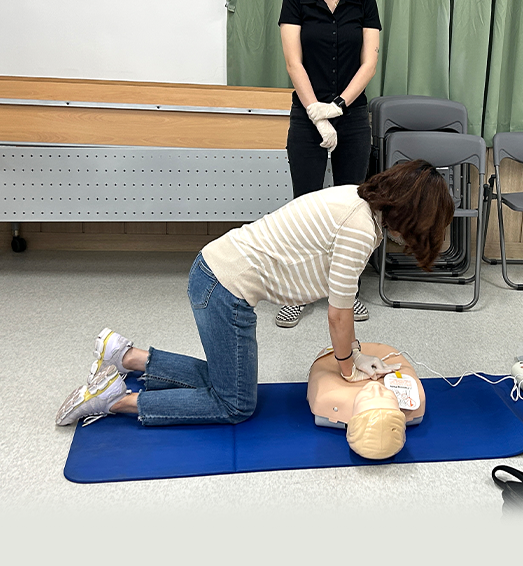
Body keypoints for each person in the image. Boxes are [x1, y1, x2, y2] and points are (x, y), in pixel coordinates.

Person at [55, 160, 454, 427]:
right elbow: (338, 314)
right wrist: (349, 366)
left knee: (226, 380)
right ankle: (115, 399)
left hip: (215, 274)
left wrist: (355, 356)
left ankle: (123, 355)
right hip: (224, 289)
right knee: (235, 404)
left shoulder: (356, 199)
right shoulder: (360, 229)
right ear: (410, 214)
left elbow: (339, 307)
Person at [276, 0, 381, 329]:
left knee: (354, 207)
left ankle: (346, 291)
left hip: (351, 117)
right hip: (307, 115)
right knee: (303, 206)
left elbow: (367, 64)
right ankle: (297, 292)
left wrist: (337, 107)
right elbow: (294, 63)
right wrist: (316, 113)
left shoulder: (364, 2)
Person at [307, 343, 426, 459]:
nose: (375, 386)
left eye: (366, 398)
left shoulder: (328, 396)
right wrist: (352, 353)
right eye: (389, 397)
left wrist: (350, 357)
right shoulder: (415, 398)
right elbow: (339, 323)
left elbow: (338, 323)